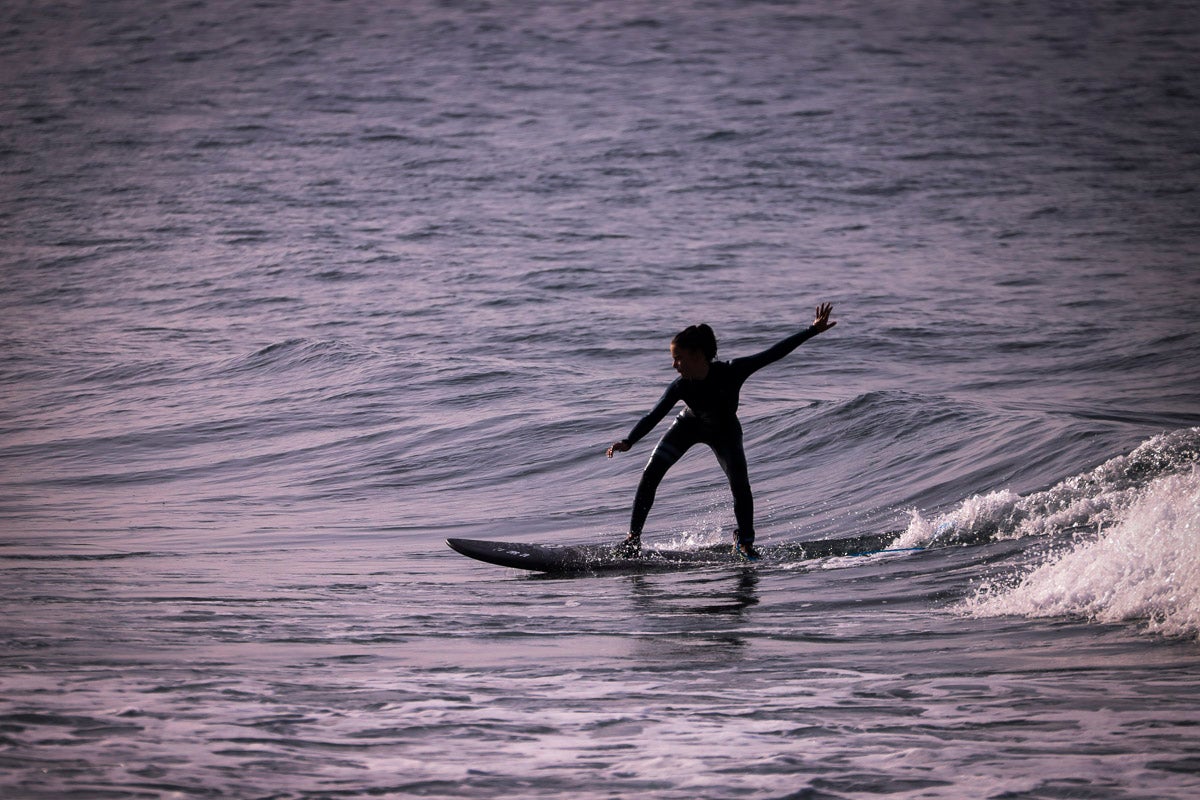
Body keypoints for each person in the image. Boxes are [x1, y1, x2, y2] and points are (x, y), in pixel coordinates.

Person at [607, 303, 837, 561]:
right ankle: (633, 540)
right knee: (651, 472)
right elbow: (654, 415)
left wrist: (811, 331)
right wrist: (629, 441)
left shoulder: (731, 371)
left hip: (724, 430)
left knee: (740, 484)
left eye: (678, 357)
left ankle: (745, 542)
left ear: (697, 355)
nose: (674, 365)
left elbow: (773, 354)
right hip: (688, 425)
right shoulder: (681, 386)